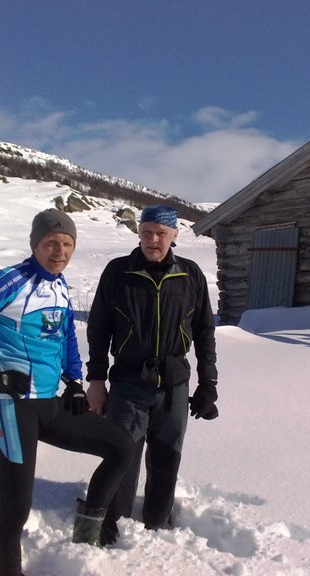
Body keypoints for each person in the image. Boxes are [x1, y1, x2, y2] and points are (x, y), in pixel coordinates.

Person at [0, 209, 134, 575]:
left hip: (48, 404)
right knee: (16, 509)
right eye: (51, 243)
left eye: (67, 243)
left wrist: (73, 381)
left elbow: (66, 335)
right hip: (10, 409)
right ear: (35, 244)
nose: (59, 250)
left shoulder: (59, 284)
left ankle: (87, 531)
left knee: (120, 446)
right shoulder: (12, 281)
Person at [85, 204, 219, 546]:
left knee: (167, 457)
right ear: (139, 234)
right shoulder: (118, 272)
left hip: (174, 383)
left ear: (173, 237)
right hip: (129, 381)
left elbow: (204, 331)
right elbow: (98, 329)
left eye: (161, 233)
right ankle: (113, 523)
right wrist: (96, 381)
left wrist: (208, 383)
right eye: (146, 232)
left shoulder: (189, 275)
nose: (152, 239)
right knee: (121, 455)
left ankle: (157, 524)